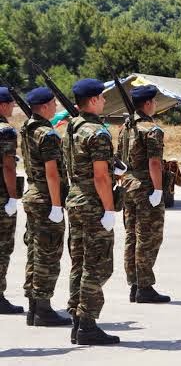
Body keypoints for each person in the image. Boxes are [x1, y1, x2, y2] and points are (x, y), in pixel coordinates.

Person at [64, 79, 120, 345]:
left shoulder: (72, 127)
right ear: (94, 100)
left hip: (75, 200)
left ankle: (77, 320)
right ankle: (87, 323)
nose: (105, 101)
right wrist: (109, 209)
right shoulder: (97, 132)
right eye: (102, 97)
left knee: (80, 263)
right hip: (92, 204)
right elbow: (100, 177)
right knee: (98, 265)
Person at [21, 87, 71, 326]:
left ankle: (34, 306)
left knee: (35, 253)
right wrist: (56, 204)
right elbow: (52, 173)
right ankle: (43, 309)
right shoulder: (47, 134)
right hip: (45, 198)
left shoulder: (27, 128)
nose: (56, 107)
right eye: (53, 103)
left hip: (33, 194)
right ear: (44, 107)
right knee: (48, 255)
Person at [117, 84, 170, 304]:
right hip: (145, 186)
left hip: (128, 185)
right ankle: (145, 286)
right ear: (147, 103)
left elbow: (119, 159)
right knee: (148, 237)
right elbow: (155, 162)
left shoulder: (126, 127)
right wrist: (158, 189)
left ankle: (135, 283)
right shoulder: (151, 129)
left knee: (132, 236)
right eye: (154, 101)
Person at [0, 86, 23, 315]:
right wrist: (13, 196)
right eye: (9, 103)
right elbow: (8, 166)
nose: (12, 106)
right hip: (1, 197)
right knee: (2, 246)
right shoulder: (5, 131)